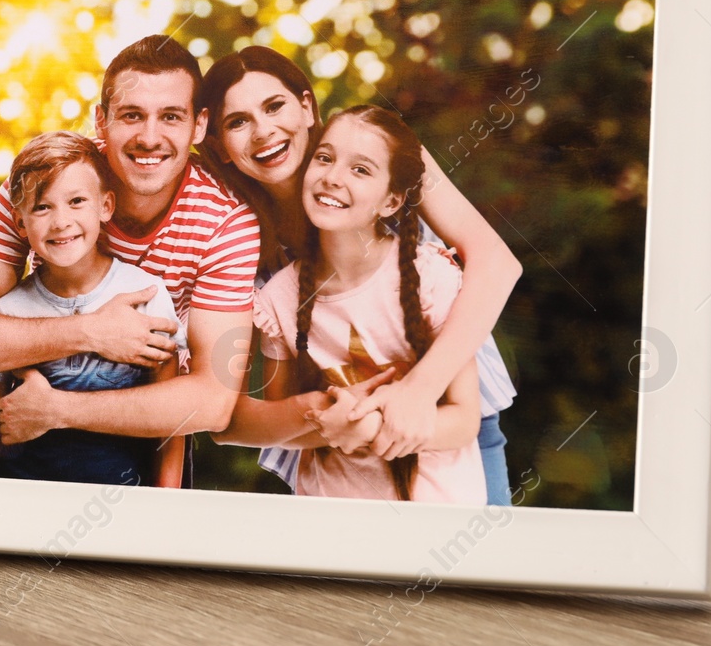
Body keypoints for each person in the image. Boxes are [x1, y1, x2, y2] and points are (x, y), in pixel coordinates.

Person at [196, 47, 522, 503]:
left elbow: (496, 261)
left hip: (448, 423)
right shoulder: (239, 236)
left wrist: (418, 391)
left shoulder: (377, 147)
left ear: (307, 106)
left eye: (275, 106)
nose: (264, 130)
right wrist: (321, 417)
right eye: (238, 122)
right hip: (338, 457)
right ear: (219, 147)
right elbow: (239, 415)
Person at [0, 35, 260, 471]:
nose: (149, 136)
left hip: (143, 435)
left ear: (198, 125)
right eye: (131, 115)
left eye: (171, 117)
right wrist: (92, 332)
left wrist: (59, 412)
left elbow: (212, 402)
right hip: (28, 439)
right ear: (101, 121)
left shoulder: (226, 224)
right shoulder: (43, 189)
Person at [0, 132, 185, 487]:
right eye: (41, 206)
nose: (60, 221)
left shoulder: (145, 295)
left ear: (106, 206)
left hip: (123, 503)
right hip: (24, 499)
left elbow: (171, 427)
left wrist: (165, 508)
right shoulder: (8, 310)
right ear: (20, 223)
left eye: (77, 201)